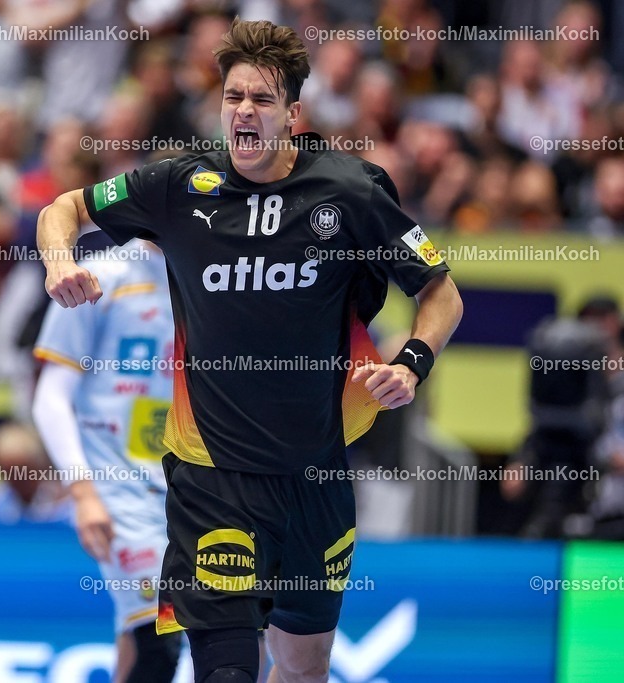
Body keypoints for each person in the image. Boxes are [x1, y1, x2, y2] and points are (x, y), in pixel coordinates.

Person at [36, 19, 463, 683]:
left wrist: (412, 363)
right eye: (233, 97)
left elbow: (440, 293)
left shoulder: (350, 192)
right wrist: (59, 261)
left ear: (292, 115)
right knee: (227, 670)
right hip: (210, 479)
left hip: (314, 479)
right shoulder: (181, 187)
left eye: (262, 100)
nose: (244, 111)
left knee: (302, 667)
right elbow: (62, 208)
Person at [32, 238, 183, 683]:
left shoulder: (213, 277)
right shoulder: (97, 276)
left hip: (193, 487)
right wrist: (84, 493)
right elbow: (50, 397)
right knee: (159, 635)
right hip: (118, 488)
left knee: (233, 637)